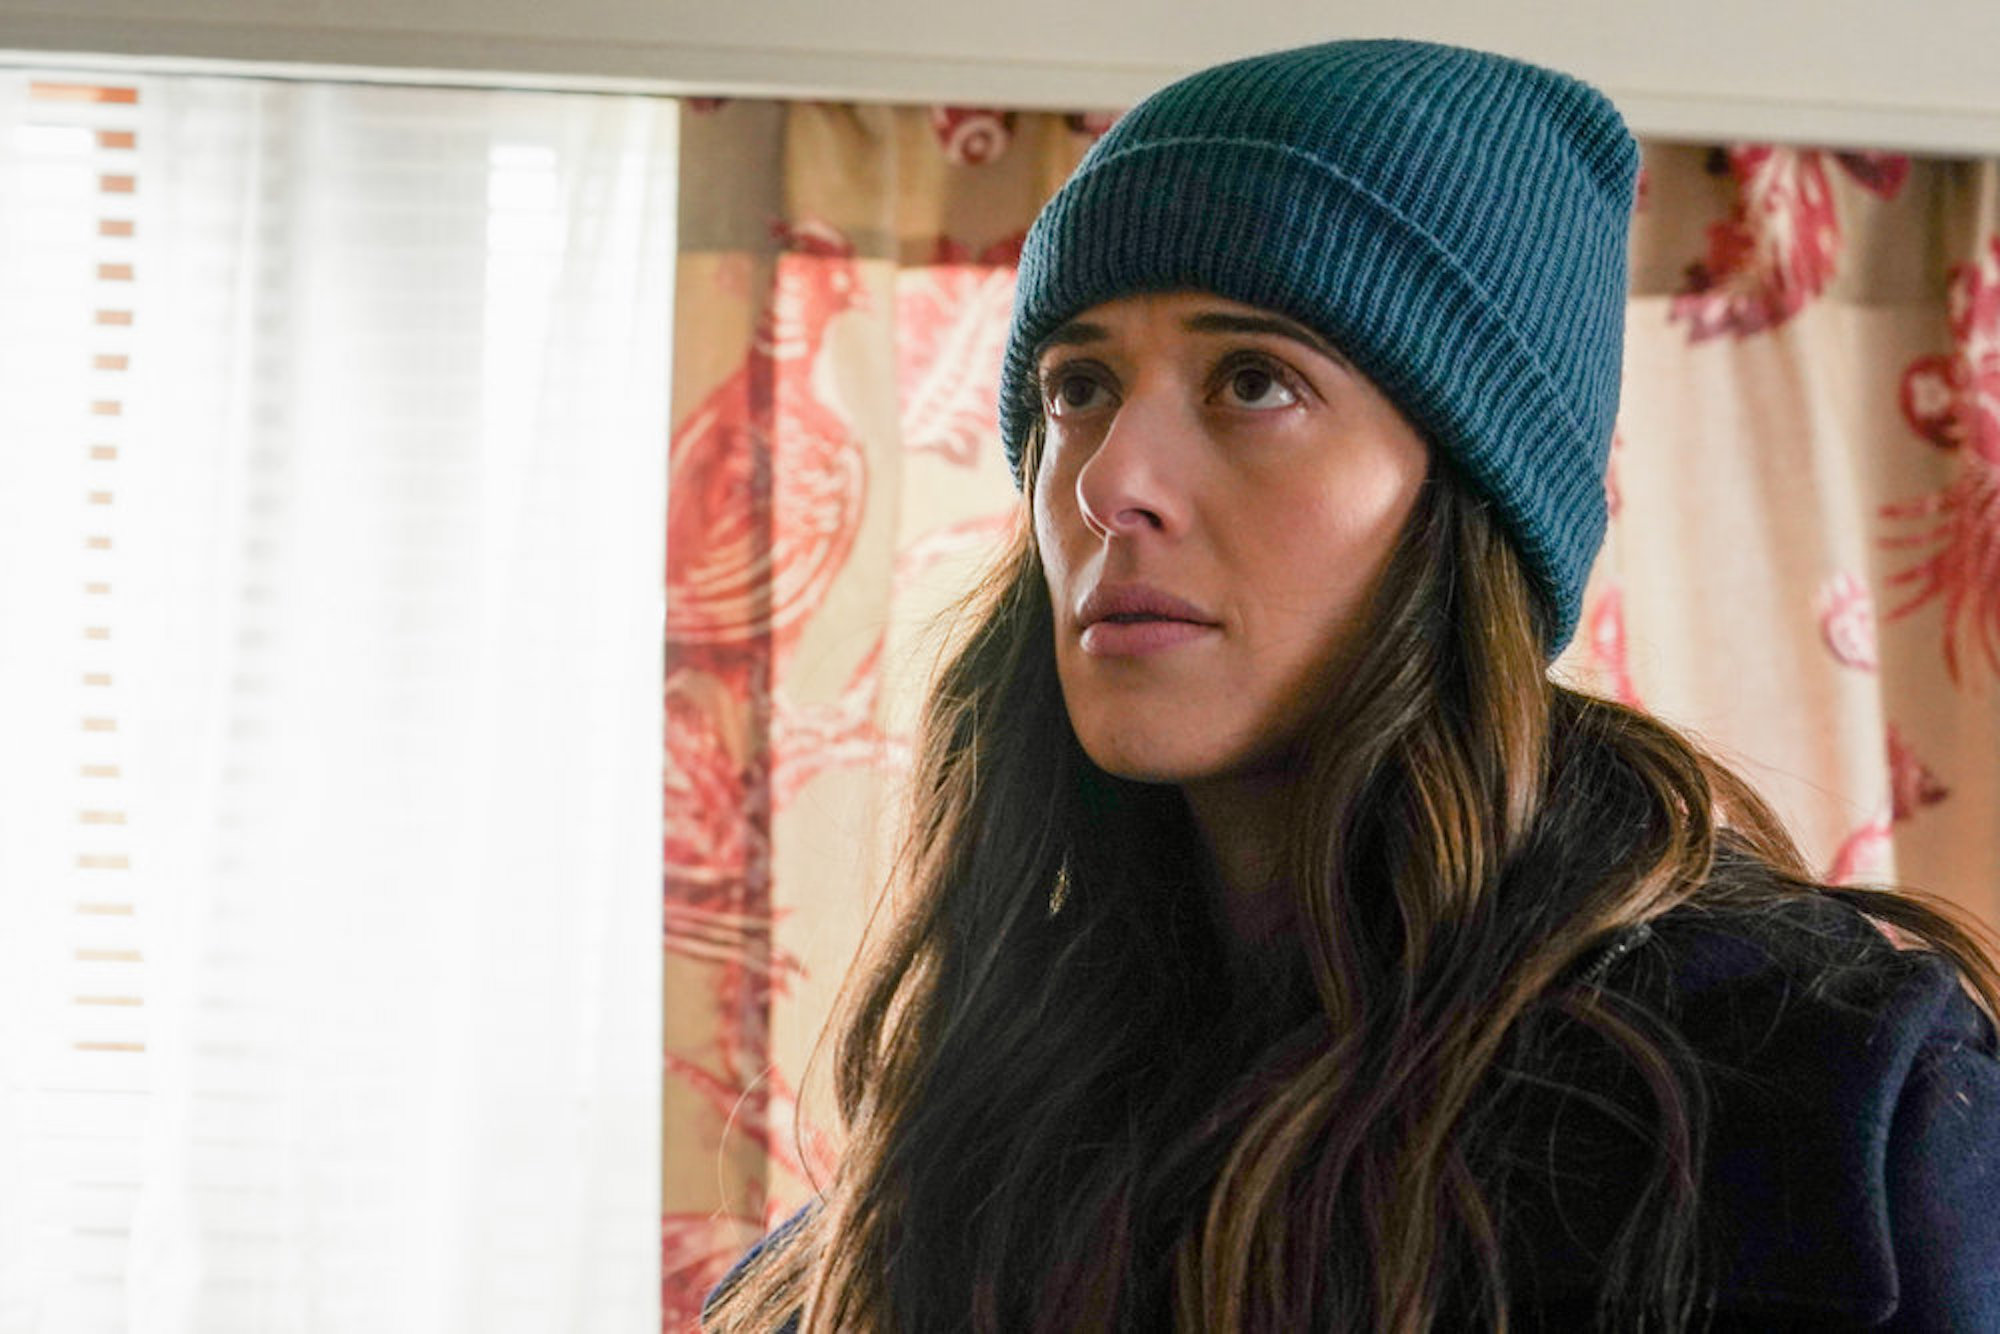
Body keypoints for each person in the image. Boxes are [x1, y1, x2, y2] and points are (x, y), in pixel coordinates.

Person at [704, 39, 2000, 1332]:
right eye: (1079, 387)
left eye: (1253, 380)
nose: (1107, 481)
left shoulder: (1822, 1103)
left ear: (1469, 494)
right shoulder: (937, 1160)